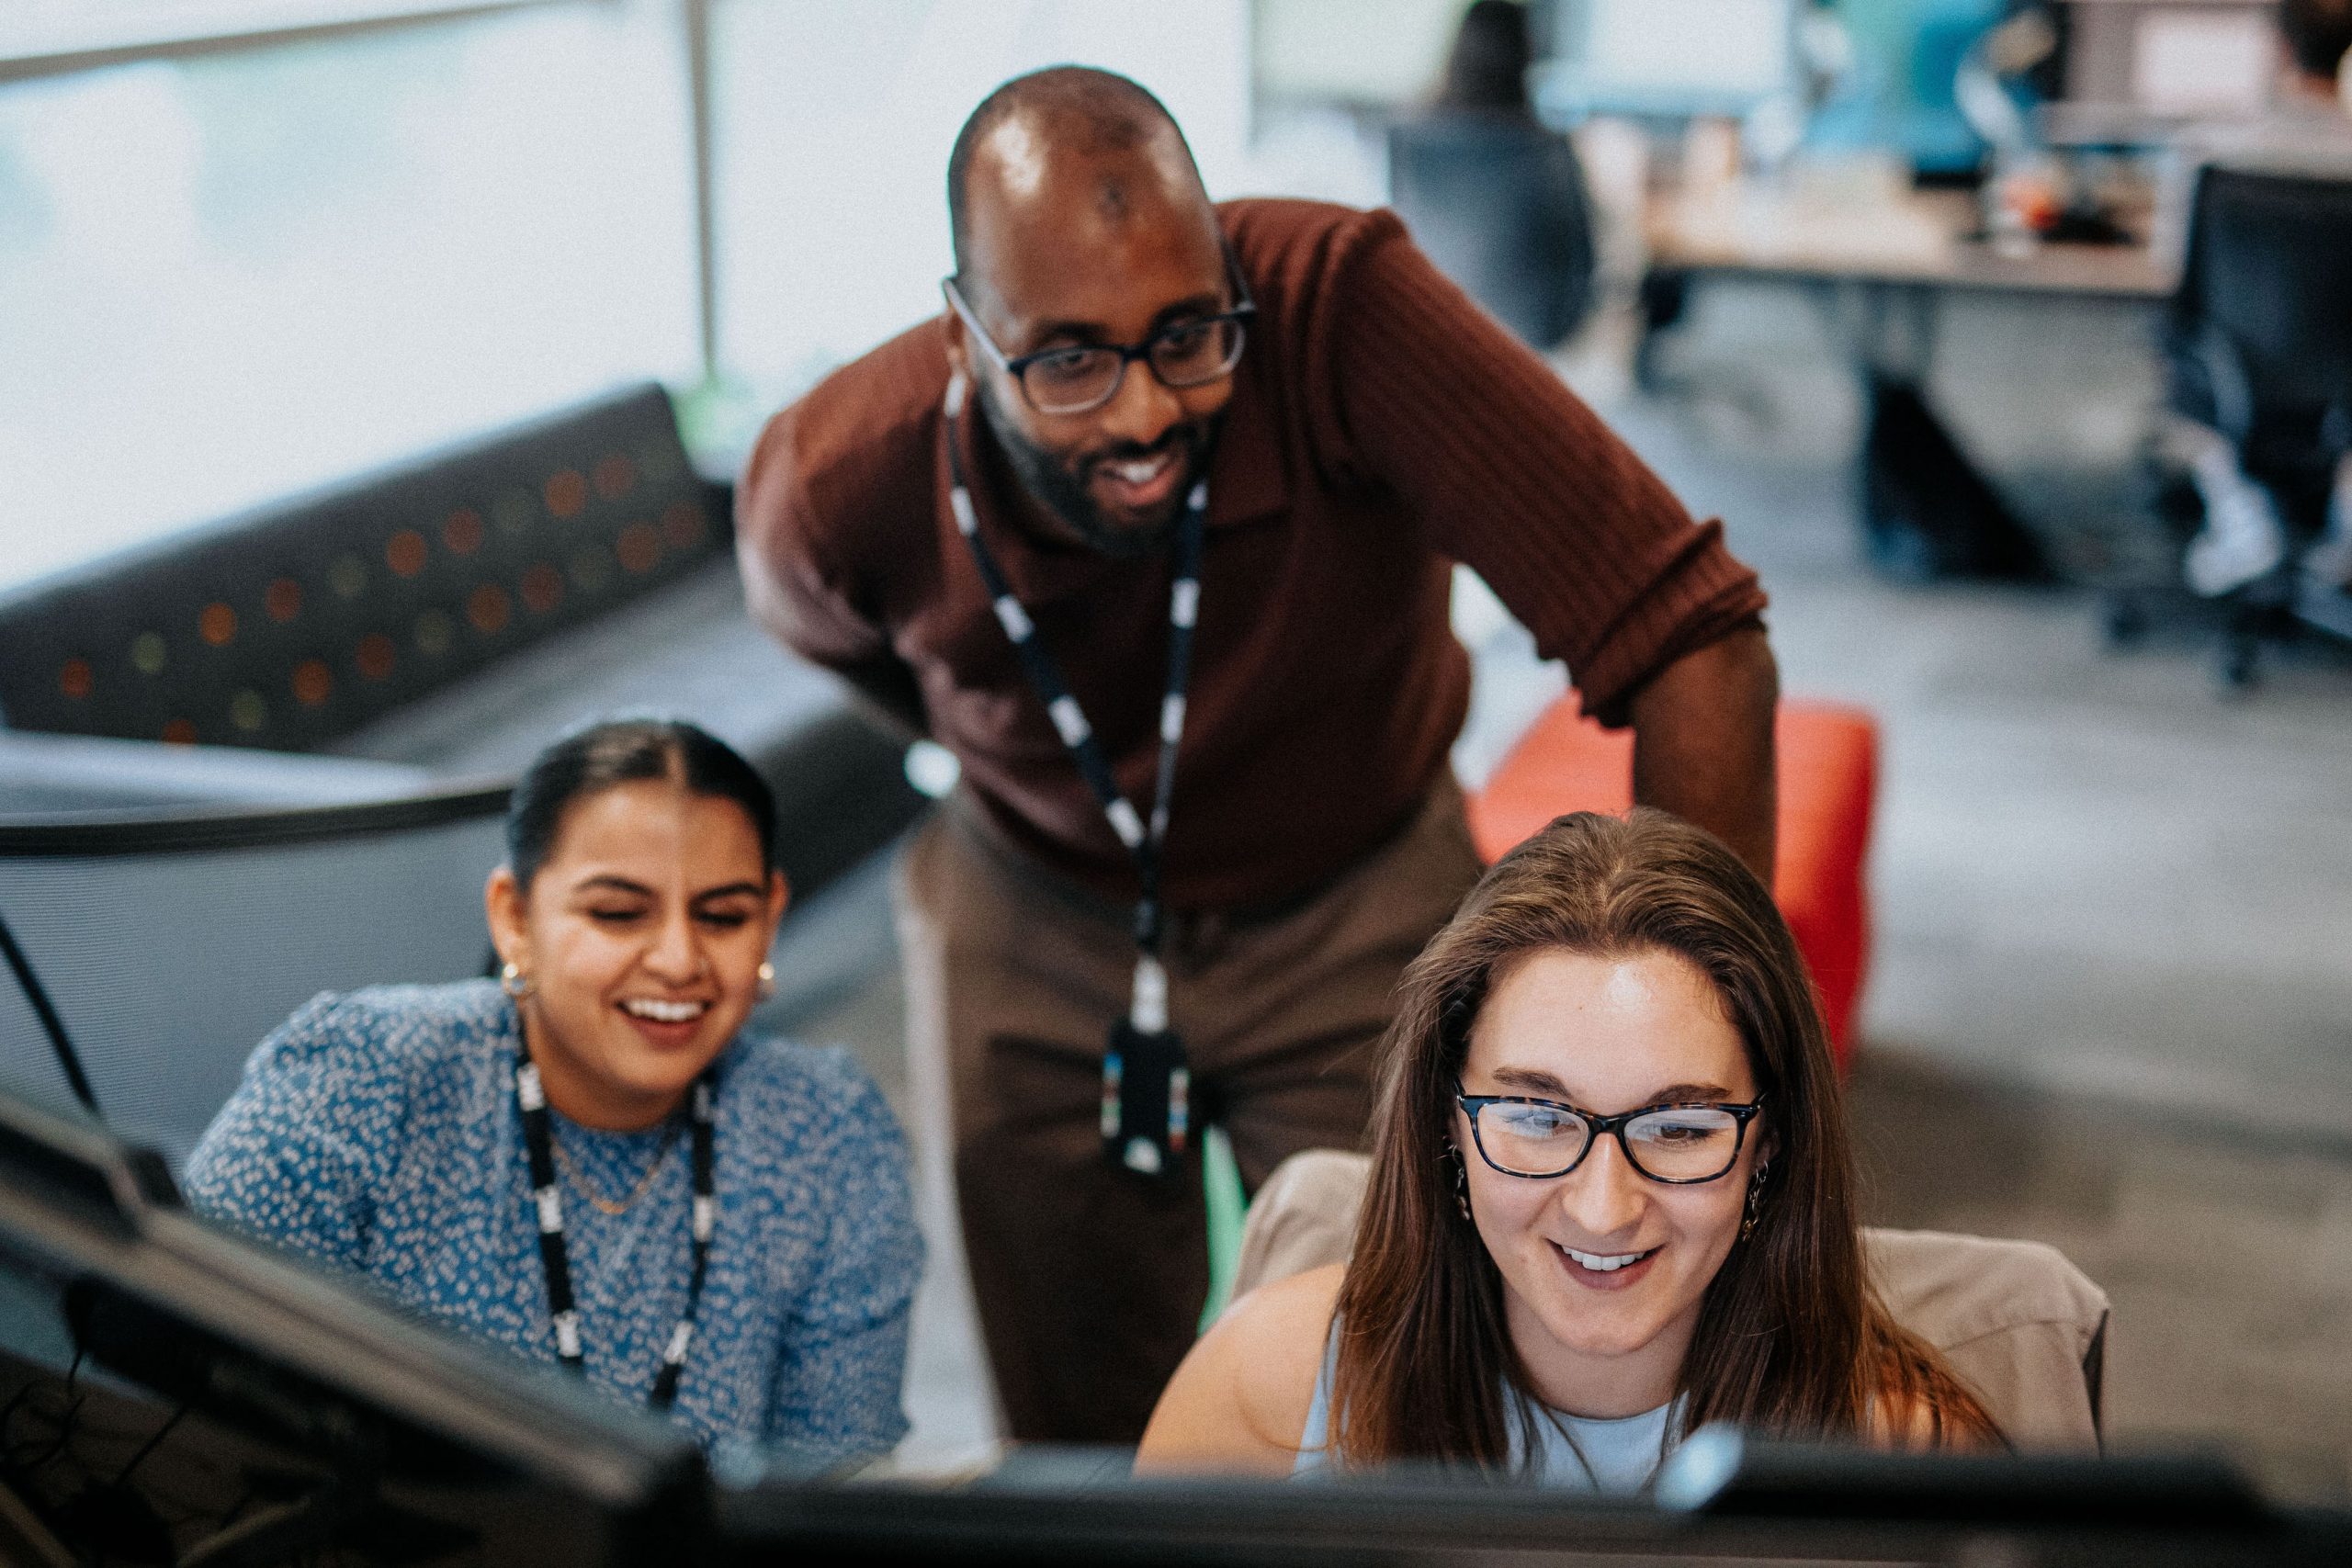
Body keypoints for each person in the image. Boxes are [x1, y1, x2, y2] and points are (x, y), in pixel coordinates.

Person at [737, 66, 1779, 1444]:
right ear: (963, 332)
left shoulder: (1339, 309)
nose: (1144, 413)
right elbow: (850, 650)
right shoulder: (832, 480)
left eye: (1188, 336)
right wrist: (1018, 760)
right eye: (1065, 361)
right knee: (1077, 1412)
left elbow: (1695, 634)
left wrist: (1685, 1040)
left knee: (1419, 1371)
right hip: (1037, 898)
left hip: (1358, 879)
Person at [1136, 810, 1996, 1481]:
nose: (1602, 1207)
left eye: (1681, 1128)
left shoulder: (1898, 1464)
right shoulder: (1269, 1390)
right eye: (1540, 1118)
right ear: (1449, 1124)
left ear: (1768, 1143)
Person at [185, 719, 922, 1463]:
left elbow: (836, 1485)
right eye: (617, 912)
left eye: (723, 916)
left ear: (768, 919)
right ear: (515, 918)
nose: (678, 959)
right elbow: (181, 1417)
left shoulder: (827, 1134)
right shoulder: (356, 1085)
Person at [2155, 0, 2352, 598]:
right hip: (2344, 381)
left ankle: (2241, 513)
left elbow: (2173, 270)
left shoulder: (2207, 154)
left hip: (2233, 373)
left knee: (2192, 355)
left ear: (2277, 48)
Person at [1388, 0, 1600, 348]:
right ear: (1526, 57)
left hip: (1427, 337)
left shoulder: (1403, 143)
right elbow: (1581, 267)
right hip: (1528, 347)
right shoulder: (1549, 150)